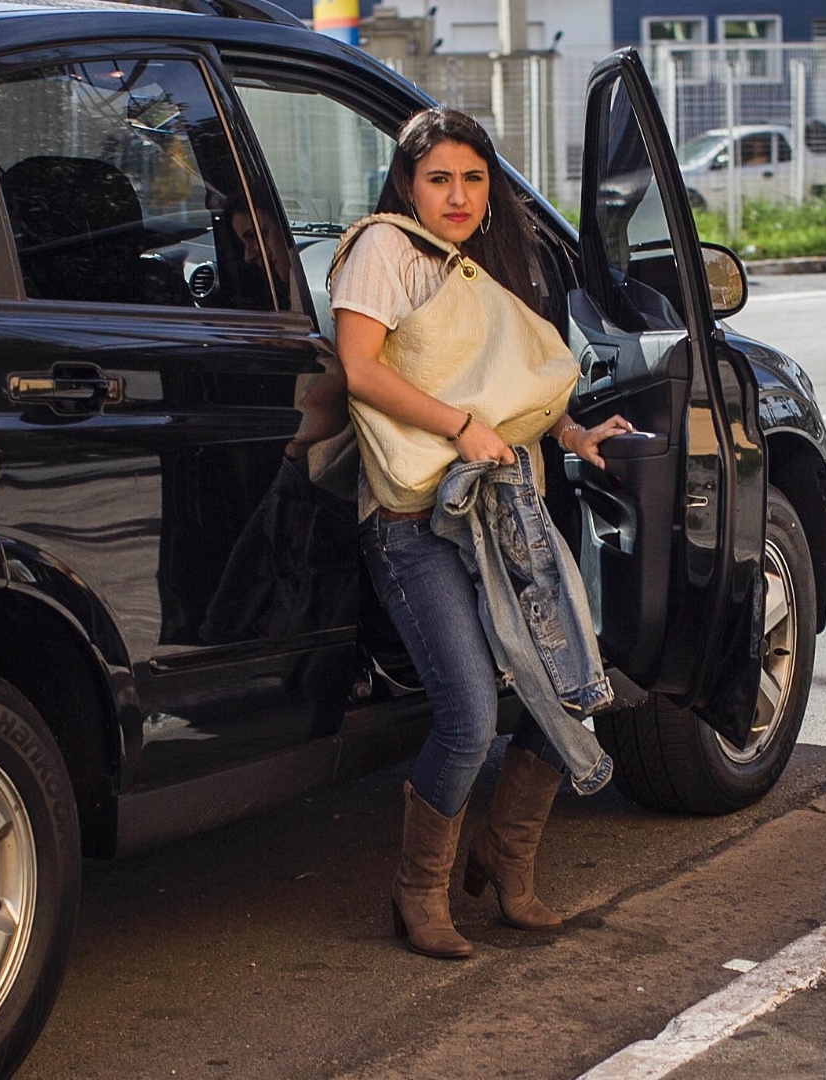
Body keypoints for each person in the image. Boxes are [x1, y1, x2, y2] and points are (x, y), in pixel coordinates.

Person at [329, 107, 632, 959]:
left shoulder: (501, 262)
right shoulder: (385, 250)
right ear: (406, 184)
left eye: (472, 178)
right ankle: (417, 894)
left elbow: (518, 383)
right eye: (438, 179)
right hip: (415, 520)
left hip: (505, 516)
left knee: (570, 689)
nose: (457, 195)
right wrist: (462, 428)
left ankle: (508, 866)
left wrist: (574, 436)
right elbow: (360, 369)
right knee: (466, 716)